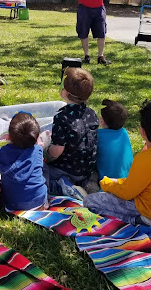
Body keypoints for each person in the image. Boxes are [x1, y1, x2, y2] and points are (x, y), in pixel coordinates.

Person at [84, 101, 151, 226]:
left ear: (143, 131)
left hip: (148, 211)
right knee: (115, 184)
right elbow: (135, 184)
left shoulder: (145, 158)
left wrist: (106, 184)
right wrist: (115, 183)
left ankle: (139, 221)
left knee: (90, 201)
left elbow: (126, 193)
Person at [44, 67, 98, 200]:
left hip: (67, 169)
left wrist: (45, 152)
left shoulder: (61, 118)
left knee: (39, 172)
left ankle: (63, 187)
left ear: (65, 92)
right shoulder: (92, 113)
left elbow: (57, 151)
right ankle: (87, 184)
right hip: (86, 169)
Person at [0, 112, 47, 211]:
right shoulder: (38, 150)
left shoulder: (1, 153)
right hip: (39, 202)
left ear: (9, 136)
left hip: (12, 206)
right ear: (36, 137)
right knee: (45, 171)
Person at [96, 99, 133, 180]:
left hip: (107, 183)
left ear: (102, 121)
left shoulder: (98, 135)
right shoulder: (124, 132)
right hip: (127, 179)